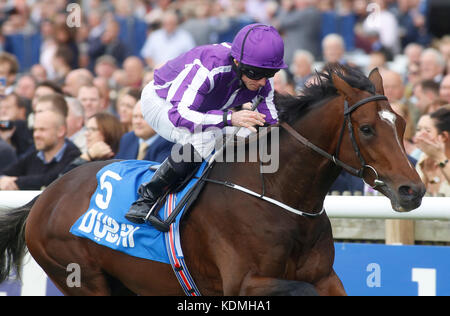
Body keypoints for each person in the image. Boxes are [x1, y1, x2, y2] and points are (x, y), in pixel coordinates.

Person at [125, 23, 287, 224]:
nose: (263, 82)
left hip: (202, 110)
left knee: (249, 136)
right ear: (237, 62)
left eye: (269, 74)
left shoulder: (261, 79)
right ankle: (148, 197)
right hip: (162, 103)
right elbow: (180, 115)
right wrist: (229, 118)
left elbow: (272, 124)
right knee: (205, 136)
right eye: (256, 73)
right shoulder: (209, 65)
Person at [0, 109, 81, 190]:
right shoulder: (33, 155)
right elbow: (6, 173)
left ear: (61, 131)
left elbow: (52, 180)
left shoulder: (74, 157)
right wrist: (3, 180)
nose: (36, 135)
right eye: (35, 130)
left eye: (42, 130)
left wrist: (16, 182)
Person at [414, 107, 450, 196]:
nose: (420, 135)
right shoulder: (424, 158)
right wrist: (427, 176)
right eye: (418, 130)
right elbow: (417, 199)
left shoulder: (441, 160)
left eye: (427, 131)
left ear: (444, 136)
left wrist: (440, 158)